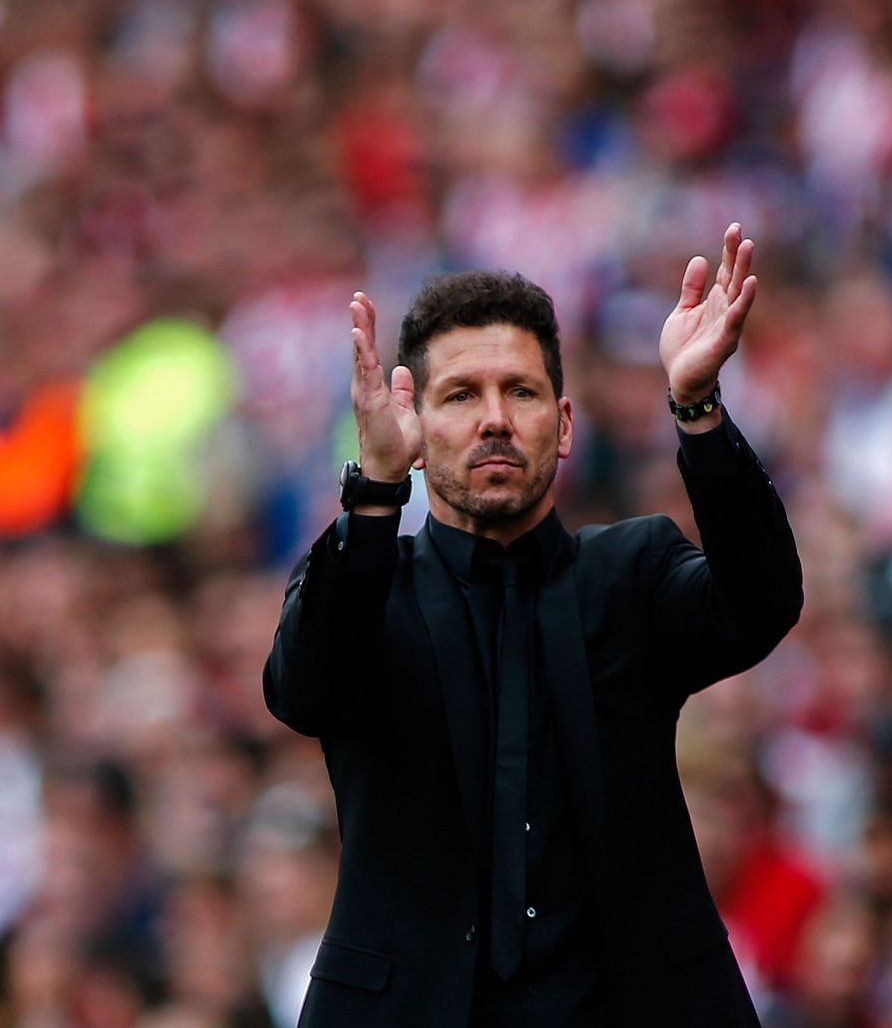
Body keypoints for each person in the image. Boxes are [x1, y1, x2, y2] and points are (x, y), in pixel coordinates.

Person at [264, 223, 803, 1027]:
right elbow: (304, 691)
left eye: (519, 392)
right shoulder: (365, 585)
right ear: (416, 432)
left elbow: (762, 603)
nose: (494, 419)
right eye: (460, 396)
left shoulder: (631, 574)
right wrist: (373, 493)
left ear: (566, 423)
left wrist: (697, 409)